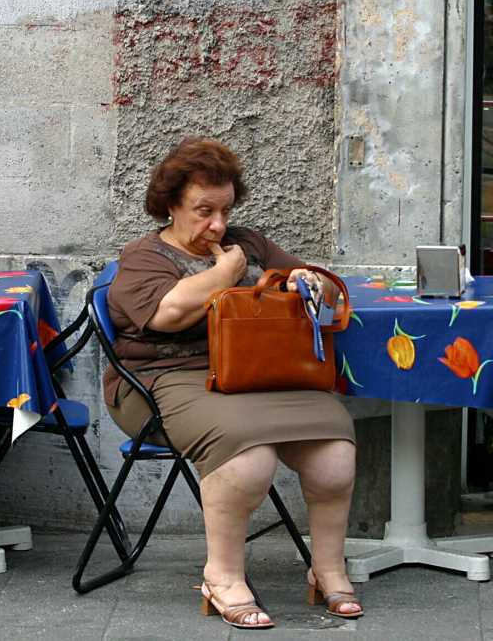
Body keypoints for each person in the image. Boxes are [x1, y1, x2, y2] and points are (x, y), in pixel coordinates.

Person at [105, 138, 359, 629]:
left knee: (334, 454)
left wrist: (308, 282)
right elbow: (169, 313)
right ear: (171, 205)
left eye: (224, 210)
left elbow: (311, 285)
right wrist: (225, 273)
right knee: (249, 460)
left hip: (261, 375)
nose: (218, 225)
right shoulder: (144, 258)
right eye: (203, 211)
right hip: (166, 380)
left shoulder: (250, 242)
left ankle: (327, 567)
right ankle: (221, 577)